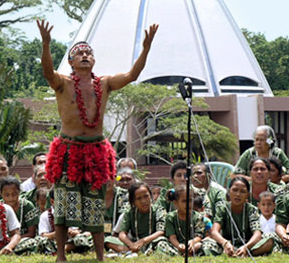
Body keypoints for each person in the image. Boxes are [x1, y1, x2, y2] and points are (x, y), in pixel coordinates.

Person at [37, 18, 158, 262]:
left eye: (88, 53)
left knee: (95, 205)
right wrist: (46, 44)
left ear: (93, 60)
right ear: (71, 62)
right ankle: (61, 256)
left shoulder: (104, 83)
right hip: (68, 149)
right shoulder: (63, 82)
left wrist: (146, 48)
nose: (84, 55)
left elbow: (132, 75)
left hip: (95, 150)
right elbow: (48, 72)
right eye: (78, 53)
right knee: (63, 205)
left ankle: (100, 256)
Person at [201, 177, 262, 257]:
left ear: (248, 195)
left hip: (248, 245)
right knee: (207, 243)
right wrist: (225, 243)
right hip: (227, 245)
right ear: (229, 191)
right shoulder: (222, 208)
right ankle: (235, 252)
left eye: (243, 191)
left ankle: (245, 252)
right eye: (235, 190)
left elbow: (257, 234)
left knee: (270, 238)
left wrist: (246, 247)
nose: (238, 194)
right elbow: (214, 231)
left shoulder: (252, 209)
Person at [111, 182, 169, 255]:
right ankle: (132, 250)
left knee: (162, 242)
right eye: (139, 198)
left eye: (146, 196)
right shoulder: (130, 212)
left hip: (153, 242)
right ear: (133, 202)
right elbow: (122, 233)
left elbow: (161, 232)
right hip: (134, 242)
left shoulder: (159, 210)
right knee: (109, 240)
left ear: (150, 196)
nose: (143, 201)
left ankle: (134, 252)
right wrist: (132, 245)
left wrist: (143, 241)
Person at [162, 185, 205, 256]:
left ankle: (190, 253)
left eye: (190, 200)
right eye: (184, 201)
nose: (188, 204)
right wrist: (179, 246)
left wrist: (192, 242)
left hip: (193, 245)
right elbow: (172, 237)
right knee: (161, 243)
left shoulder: (199, 216)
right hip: (176, 246)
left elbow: (199, 236)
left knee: (204, 244)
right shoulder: (170, 217)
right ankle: (181, 254)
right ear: (176, 203)